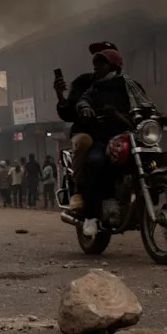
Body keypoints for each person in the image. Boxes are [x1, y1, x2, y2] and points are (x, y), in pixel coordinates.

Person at [75, 48, 145, 236]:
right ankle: (91, 216)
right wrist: (85, 107)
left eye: (101, 64)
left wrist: (158, 116)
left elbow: (146, 104)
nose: (96, 68)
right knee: (95, 162)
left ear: (113, 66)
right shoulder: (95, 88)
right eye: (95, 64)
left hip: (132, 136)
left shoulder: (132, 86)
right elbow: (83, 100)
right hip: (104, 139)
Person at [54, 41, 114, 212]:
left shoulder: (125, 83)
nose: (99, 62)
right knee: (84, 144)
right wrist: (60, 96)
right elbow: (70, 111)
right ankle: (78, 191)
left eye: (105, 58)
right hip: (90, 132)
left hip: (117, 133)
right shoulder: (85, 83)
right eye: (97, 58)